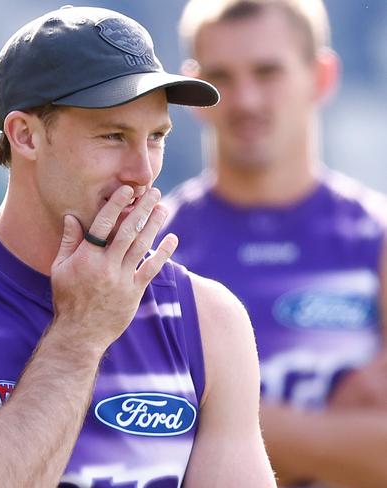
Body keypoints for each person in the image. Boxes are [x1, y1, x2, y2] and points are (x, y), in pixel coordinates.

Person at [0, 6, 276, 487]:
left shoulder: (208, 318)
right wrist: (80, 334)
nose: (143, 171)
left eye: (156, 138)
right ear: (25, 136)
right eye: (112, 136)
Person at [156, 0, 387, 486]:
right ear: (193, 92)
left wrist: (215, 414)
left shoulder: (378, 235)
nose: (246, 100)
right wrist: (334, 434)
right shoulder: (156, 247)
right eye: (221, 76)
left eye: (268, 72)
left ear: (321, 77)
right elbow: (132, 439)